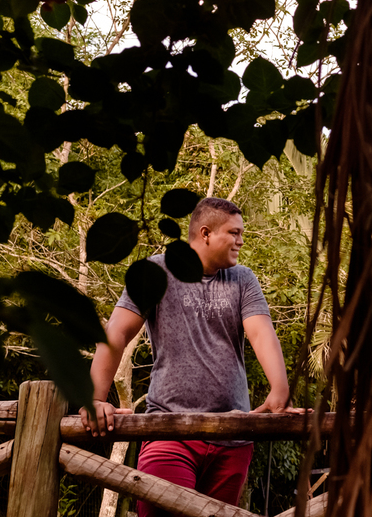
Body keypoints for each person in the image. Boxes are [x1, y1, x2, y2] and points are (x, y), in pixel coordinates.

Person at [80, 197, 300, 514]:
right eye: (234, 233)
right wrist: (96, 398)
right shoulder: (154, 272)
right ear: (206, 233)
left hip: (233, 439)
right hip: (169, 434)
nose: (241, 241)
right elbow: (116, 332)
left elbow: (260, 333)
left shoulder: (243, 279)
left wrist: (279, 391)